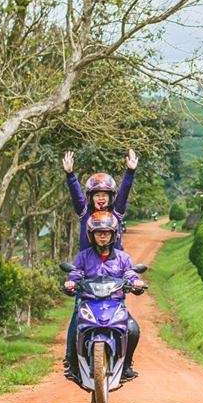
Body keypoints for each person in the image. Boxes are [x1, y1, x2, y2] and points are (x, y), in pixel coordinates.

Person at [62, 149, 142, 382]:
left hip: (113, 281)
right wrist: (70, 176)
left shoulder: (116, 214)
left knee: (130, 326)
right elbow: (76, 197)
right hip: (88, 279)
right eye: (96, 194)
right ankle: (72, 360)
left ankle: (125, 364)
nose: (100, 198)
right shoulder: (85, 214)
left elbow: (125, 194)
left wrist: (130, 171)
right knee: (77, 317)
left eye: (105, 195)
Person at [64, 212, 147, 385]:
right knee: (76, 328)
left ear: (114, 235)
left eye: (107, 233)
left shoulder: (123, 258)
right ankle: (73, 366)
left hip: (115, 304)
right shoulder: (83, 256)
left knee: (132, 329)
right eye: (99, 233)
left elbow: (130, 273)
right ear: (91, 235)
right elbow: (75, 273)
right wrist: (71, 283)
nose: (103, 237)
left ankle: (125, 367)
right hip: (89, 303)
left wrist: (136, 282)